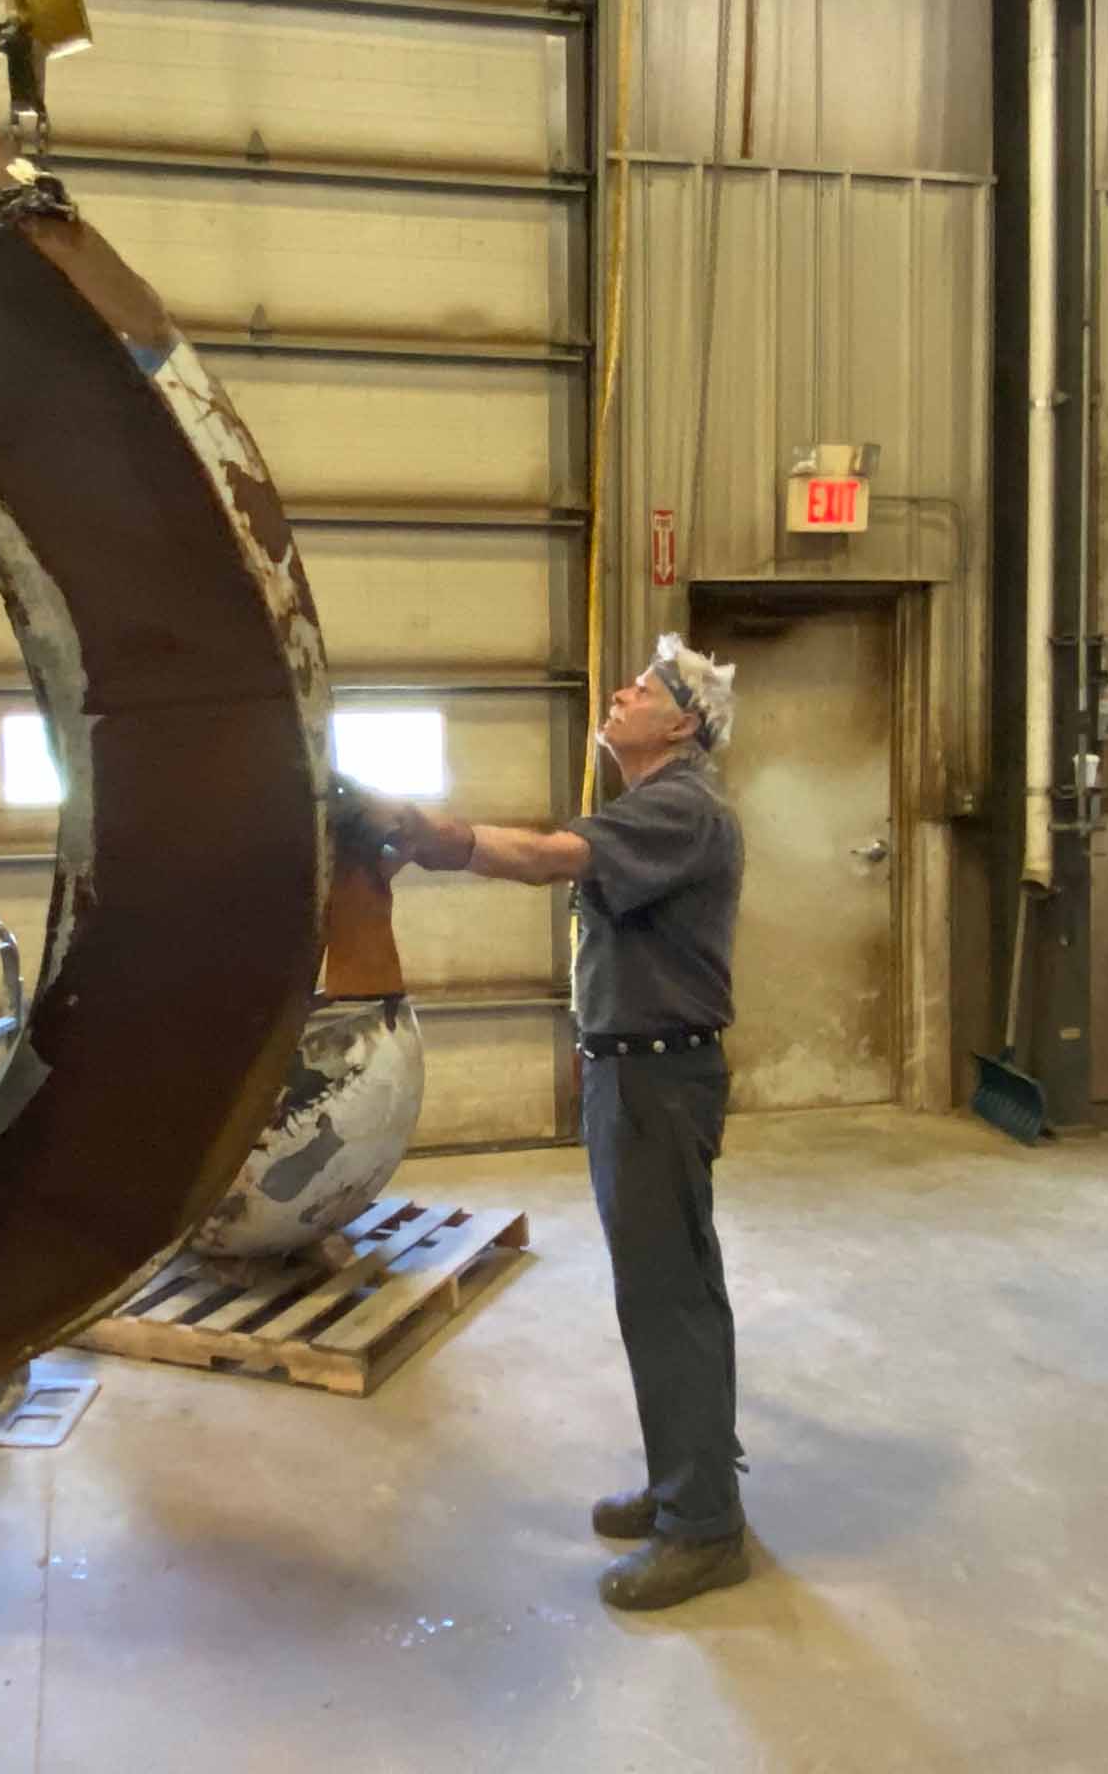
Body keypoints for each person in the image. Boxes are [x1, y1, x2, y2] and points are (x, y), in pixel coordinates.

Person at [376, 633, 746, 1611]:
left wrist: (432, 834)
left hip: (657, 1082)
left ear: (683, 723)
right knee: (668, 1289)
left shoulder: (680, 804)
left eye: (647, 687)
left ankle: (702, 1527)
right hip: (638, 1075)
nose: (623, 692)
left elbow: (546, 857)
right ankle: (687, 1485)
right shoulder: (652, 806)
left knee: (666, 1295)